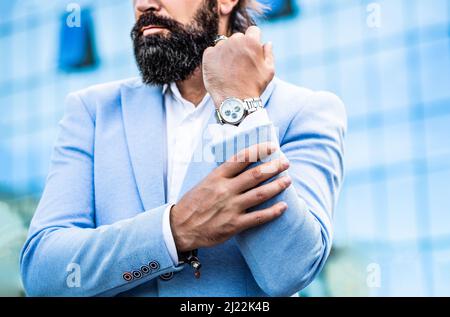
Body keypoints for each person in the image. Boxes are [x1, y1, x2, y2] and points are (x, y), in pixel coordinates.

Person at [20, 0, 346, 297]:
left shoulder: (306, 111)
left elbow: (289, 271)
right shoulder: (93, 111)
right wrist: (174, 231)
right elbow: (43, 272)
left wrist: (238, 106)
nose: (143, 5)